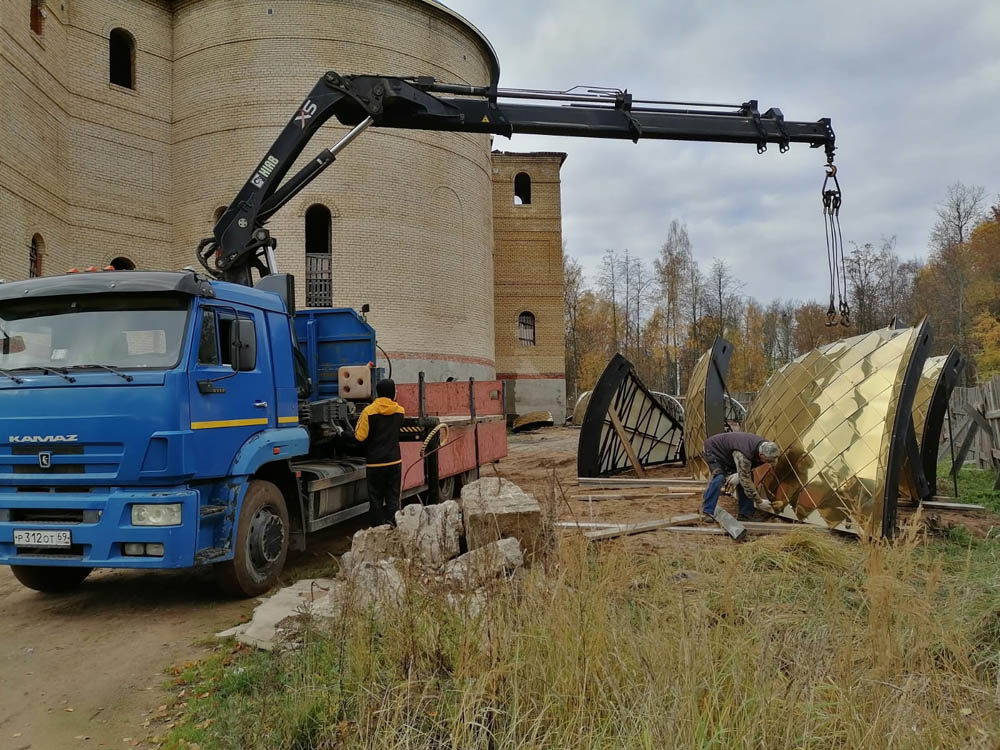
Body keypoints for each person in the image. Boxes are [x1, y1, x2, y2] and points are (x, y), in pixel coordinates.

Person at [355, 378, 405, 526]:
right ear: (392, 392)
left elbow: (360, 436)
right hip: (394, 461)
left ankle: (377, 531)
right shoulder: (400, 411)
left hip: (375, 463)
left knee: (376, 500)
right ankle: (393, 529)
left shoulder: (368, 411)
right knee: (392, 499)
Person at [701, 431, 780, 521]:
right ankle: (707, 511)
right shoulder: (744, 454)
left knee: (746, 477)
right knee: (719, 477)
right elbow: (745, 480)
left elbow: (746, 472)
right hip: (714, 450)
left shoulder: (768, 448)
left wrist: (740, 475)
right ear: (761, 455)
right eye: (766, 460)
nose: (766, 463)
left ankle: (745, 514)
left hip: (730, 454)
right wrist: (760, 502)